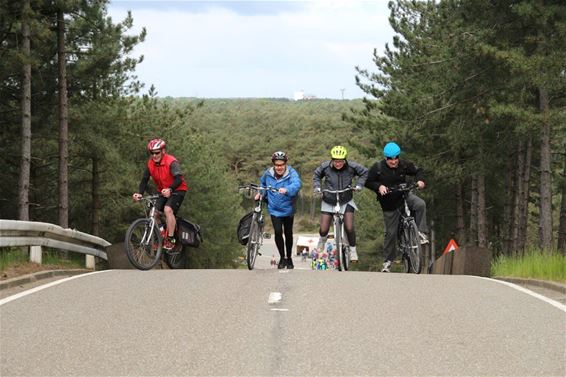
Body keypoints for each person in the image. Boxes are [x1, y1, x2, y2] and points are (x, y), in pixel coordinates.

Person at [365, 142, 428, 273]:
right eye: (390, 159)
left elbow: (418, 170)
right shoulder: (377, 167)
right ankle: (388, 261)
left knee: (420, 204)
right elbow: (368, 181)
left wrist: (420, 180)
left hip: (404, 196)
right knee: (391, 233)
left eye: (396, 158)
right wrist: (379, 187)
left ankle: (420, 232)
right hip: (389, 203)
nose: (393, 161)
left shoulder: (404, 165)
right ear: (385, 158)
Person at [313, 146, 368, 262]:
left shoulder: (352, 167)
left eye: (341, 161)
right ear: (332, 159)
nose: (338, 163)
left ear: (345, 160)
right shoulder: (325, 167)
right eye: (335, 161)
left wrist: (359, 185)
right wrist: (317, 187)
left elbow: (364, 173)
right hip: (328, 199)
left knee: (349, 227)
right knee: (323, 229)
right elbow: (316, 175)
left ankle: (353, 250)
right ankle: (322, 241)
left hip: (346, 199)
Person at [132, 138, 188, 250]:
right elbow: (144, 180)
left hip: (177, 189)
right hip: (162, 190)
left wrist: (170, 190)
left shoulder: (171, 162)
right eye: (151, 153)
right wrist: (139, 193)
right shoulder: (150, 164)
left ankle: (171, 239)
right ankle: (161, 235)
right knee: (154, 212)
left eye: (157, 152)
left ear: (163, 151)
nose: (154, 155)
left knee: (168, 210)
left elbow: (179, 179)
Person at [255, 151, 302, 269]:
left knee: (288, 233)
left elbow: (297, 184)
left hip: (288, 208)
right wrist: (260, 193)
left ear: (285, 164)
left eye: (281, 165)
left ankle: (289, 258)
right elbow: (263, 184)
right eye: (277, 165)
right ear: (273, 164)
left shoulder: (291, 173)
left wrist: (287, 189)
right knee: (277, 232)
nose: (279, 167)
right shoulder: (268, 173)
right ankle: (282, 257)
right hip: (274, 208)